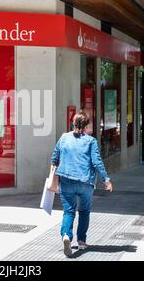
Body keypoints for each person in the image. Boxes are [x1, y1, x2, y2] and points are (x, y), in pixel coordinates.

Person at [51, 110, 112, 257]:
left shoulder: (64, 138)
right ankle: (82, 241)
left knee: (69, 211)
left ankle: (66, 235)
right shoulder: (91, 141)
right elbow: (97, 162)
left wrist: (54, 167)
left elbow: (54, 157)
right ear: (87, 126)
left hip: (65, 180)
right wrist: (106, 179)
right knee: (84, 211)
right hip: (85, 182)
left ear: (73, 123)